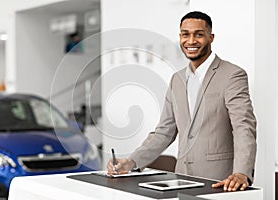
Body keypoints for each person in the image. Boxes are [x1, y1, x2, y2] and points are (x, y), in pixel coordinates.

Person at [107, 11, 257, 192]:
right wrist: (132, 162)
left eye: (199, 34)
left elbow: (243, 126)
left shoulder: (232, 75)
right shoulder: (176, 80)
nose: (191, 41)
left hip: (221, 182)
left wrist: (242, 172)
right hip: (182, 179)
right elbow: (164, 131)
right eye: (186, 34)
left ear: (211, 37)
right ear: (180, 37)